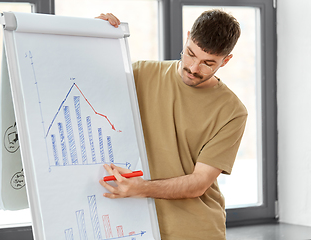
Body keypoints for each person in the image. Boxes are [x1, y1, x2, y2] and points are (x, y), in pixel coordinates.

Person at [97, 10, 247, 240]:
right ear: (187, 37)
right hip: (135, 226)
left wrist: (141, 188)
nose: (194, 68)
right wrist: (93, 38)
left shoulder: (232, 111)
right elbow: (86, 85)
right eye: (190, 54)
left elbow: (198, 183)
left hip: (195, 230)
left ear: (226, 61)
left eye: (208, 63)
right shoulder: (141, 74)